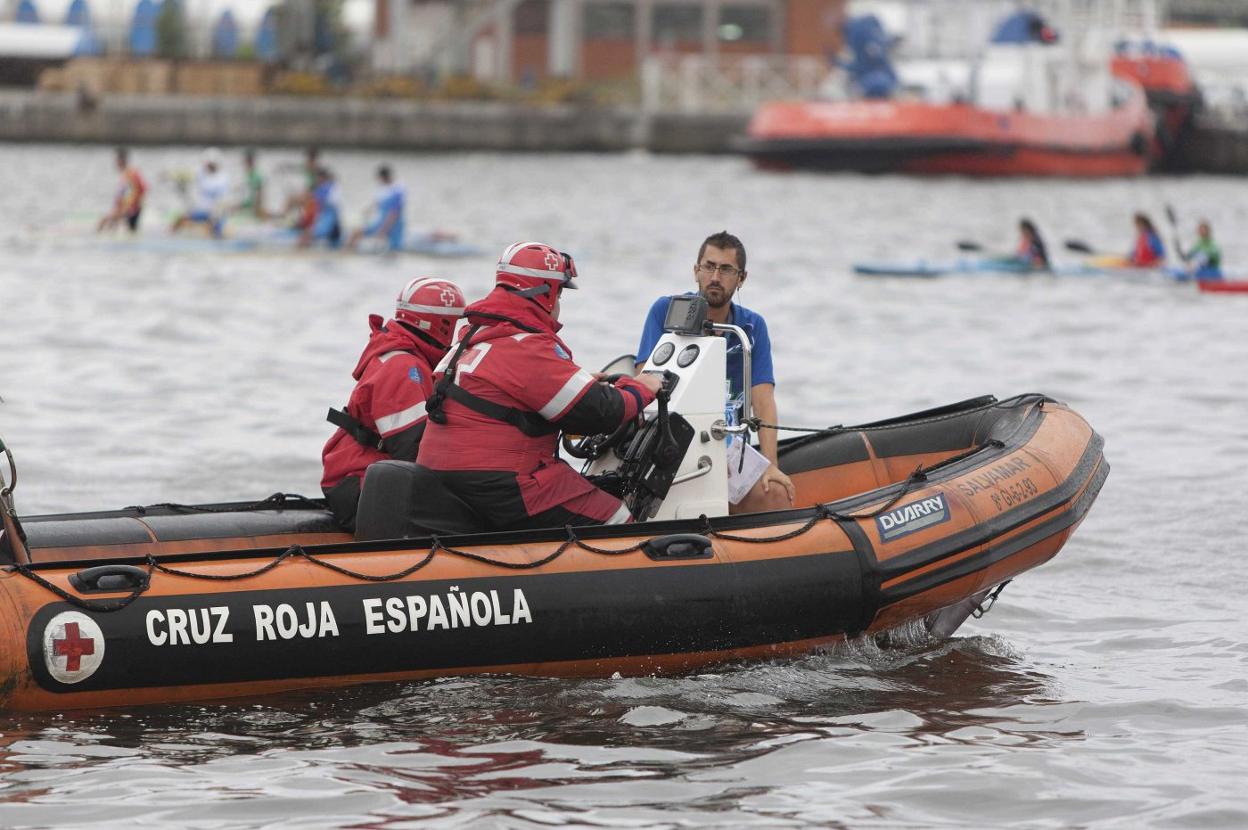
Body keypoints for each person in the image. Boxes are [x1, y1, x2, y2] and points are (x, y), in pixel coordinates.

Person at [415, 242, 664, 529]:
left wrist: (583, 383)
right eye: (559, 294)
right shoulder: (528, 345)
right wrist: (642, 387)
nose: (559, 305)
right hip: (500, 481)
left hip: (442, 474)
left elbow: (514, 392)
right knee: (616, 516)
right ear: (546, 294)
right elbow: (602, 412)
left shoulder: (474, 336)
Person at [635, 230, 796, 514]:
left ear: (741, 278)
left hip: (728, 441)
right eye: (709, 267)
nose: (715, 277)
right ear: (696, 271)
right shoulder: (665, 310)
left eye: (726, 269)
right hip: (672, 438)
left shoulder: (752, 327)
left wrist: (771, 463)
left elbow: (764, 399)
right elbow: (643, 379)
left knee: (777, 494)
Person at [320, 277, 467, 529]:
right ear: (442, 326)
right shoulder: (403, 367)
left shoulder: (402, 357)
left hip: (359, 477)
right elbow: (413, 449)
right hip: (362, 485)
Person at [171, 147, 231, 238]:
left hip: (217, 212)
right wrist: (172, 176)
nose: (208, 166)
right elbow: (186, 174)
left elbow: (222, 199)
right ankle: (170, 234)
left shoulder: (223, 178)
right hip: (202, 211)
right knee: (181, 218)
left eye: (210, 164)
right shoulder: (201, 173)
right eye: (207, 163)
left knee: (217, 228)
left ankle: (218, 239)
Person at [348, 165, 406, 252]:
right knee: (356, 233)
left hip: (394, 224)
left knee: (395, 249)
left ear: (383, 177)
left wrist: (383, 230)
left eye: (379, 178)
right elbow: (377, 203)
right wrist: (367, 210)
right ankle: (349, 251)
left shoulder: (398, 190)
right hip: (381, 220)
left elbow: (394, 213)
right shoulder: (381, 188)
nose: (378, 181)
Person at [97, 147, 146, 233]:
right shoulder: (125, 174)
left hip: (130, 209)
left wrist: (126, 207)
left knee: (103, 222)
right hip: (126, 209)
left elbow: (141, 189)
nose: (115, 163)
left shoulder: (131, 174)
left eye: (116, 160)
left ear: (121, 160)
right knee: (116, 227)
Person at [298, 167, 342, 248]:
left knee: (306, 235)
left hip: (329, 224)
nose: (316, 180)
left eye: (317, 178)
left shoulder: (325, 188)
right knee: (307, 233)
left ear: (321, 178)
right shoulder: (328, 188)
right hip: (329, 222)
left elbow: (311, 199)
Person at [236, 148, 268, 219]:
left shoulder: (256, 177)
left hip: (251, 212)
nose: (243, 164)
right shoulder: (249, 175)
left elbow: (258, 199)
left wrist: (257, 212)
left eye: (245, 161)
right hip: (247, 209)